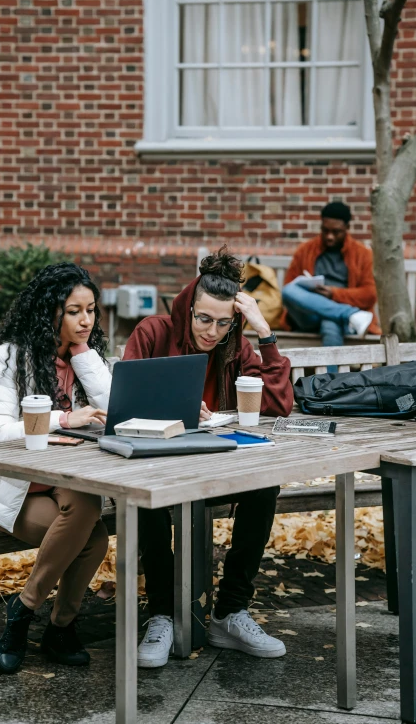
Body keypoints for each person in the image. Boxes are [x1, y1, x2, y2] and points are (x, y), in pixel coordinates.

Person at [123, 246, 293, 668]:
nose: (211, 331)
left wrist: (263, 331)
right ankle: (161, 614)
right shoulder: (153, 332)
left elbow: (278, 403)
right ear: (189, 308)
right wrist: (173, 410)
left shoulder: (235, 346)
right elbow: (123, 403)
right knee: (148, 497)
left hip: (219, 465)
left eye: (223, 321)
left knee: (264, 486)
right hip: (158, 465)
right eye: (203, 319)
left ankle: (229, 612)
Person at [0, 263, 112, 674]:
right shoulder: (10, 357)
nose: (85, 320)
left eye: (91, 310)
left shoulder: (83, 357)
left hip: (65, 478)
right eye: (74, 311)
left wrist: (84, 355)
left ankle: (33, 613)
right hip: (14, 486)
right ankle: (46, 622)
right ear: (50, 312)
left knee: (90, 521)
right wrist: (62, 419)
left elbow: (117, 409)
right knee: (93, 535)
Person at [281, 201, 380, 349]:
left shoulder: (363, 254)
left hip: (341, 323)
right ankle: (351, 314)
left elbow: (370, 294)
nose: (329, 237)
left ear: (347, 228)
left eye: (336, 232)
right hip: (309, 315)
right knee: (288, 290)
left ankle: (331, 373)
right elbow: (291, 289)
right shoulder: (305, 250)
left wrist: (333, 294)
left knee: (330, 323)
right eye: (325, 230)